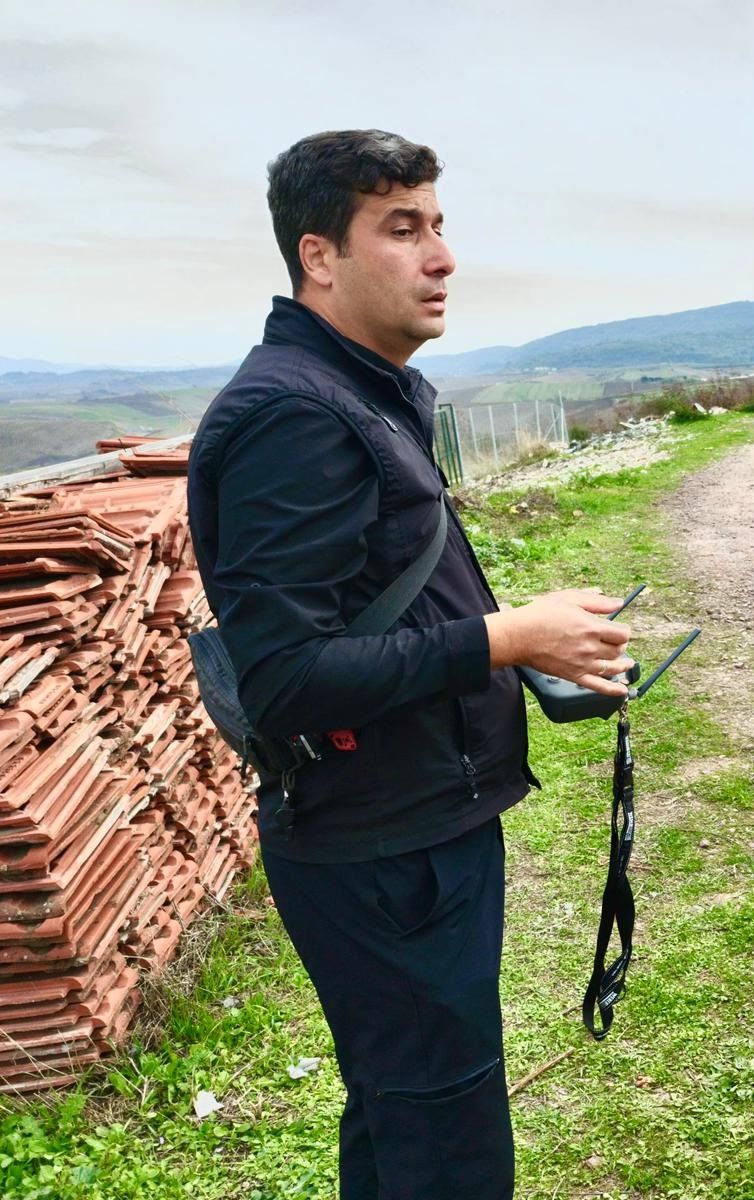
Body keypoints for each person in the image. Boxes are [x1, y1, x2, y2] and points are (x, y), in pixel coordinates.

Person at [187, 130, 634, 1200]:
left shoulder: (360, 389)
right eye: (402, 229)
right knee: (447, 1141)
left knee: (403, 1111)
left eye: (437, 225)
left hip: (409, 827)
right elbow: (286, 677)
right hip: (384, 853)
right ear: (319, 256)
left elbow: (367, 598)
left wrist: (518, 627)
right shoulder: (296, 417)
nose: (441, 256)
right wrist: (507, 638)